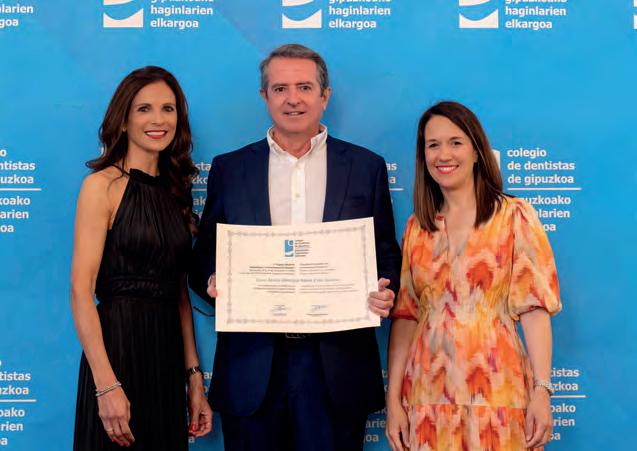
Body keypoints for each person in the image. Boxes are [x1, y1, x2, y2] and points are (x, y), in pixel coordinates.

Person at [189, 44, 402, 451]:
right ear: (264, 96)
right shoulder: (230, 168)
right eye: (280, 88)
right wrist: (213, 279)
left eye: (304, 87)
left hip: (336, 367)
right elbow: (203, 257)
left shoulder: (365, 167)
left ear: (325, 96)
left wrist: (385, 288)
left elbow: (385, 252)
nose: (293, 99)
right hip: (253, 366)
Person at [386, 101, 561, 451]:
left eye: (456, 142)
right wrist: (393, 402)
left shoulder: (514, 216)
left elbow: (535, 310)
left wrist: (542, 390)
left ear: (477, 151)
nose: (443, 154)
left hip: (499, 392)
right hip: (427, 396)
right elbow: (406, 317)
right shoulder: (417, 228)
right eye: (433, 145)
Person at [70, 66, 212, 450]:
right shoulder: (101, 187)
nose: (158, 120)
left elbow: (179, 294)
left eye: (168, 109)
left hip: (165, 355)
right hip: (117, 351)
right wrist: (106, 385)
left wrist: (194, 378)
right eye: (144, 109)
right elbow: (81, 291)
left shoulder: (176, 192)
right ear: (123, 120)